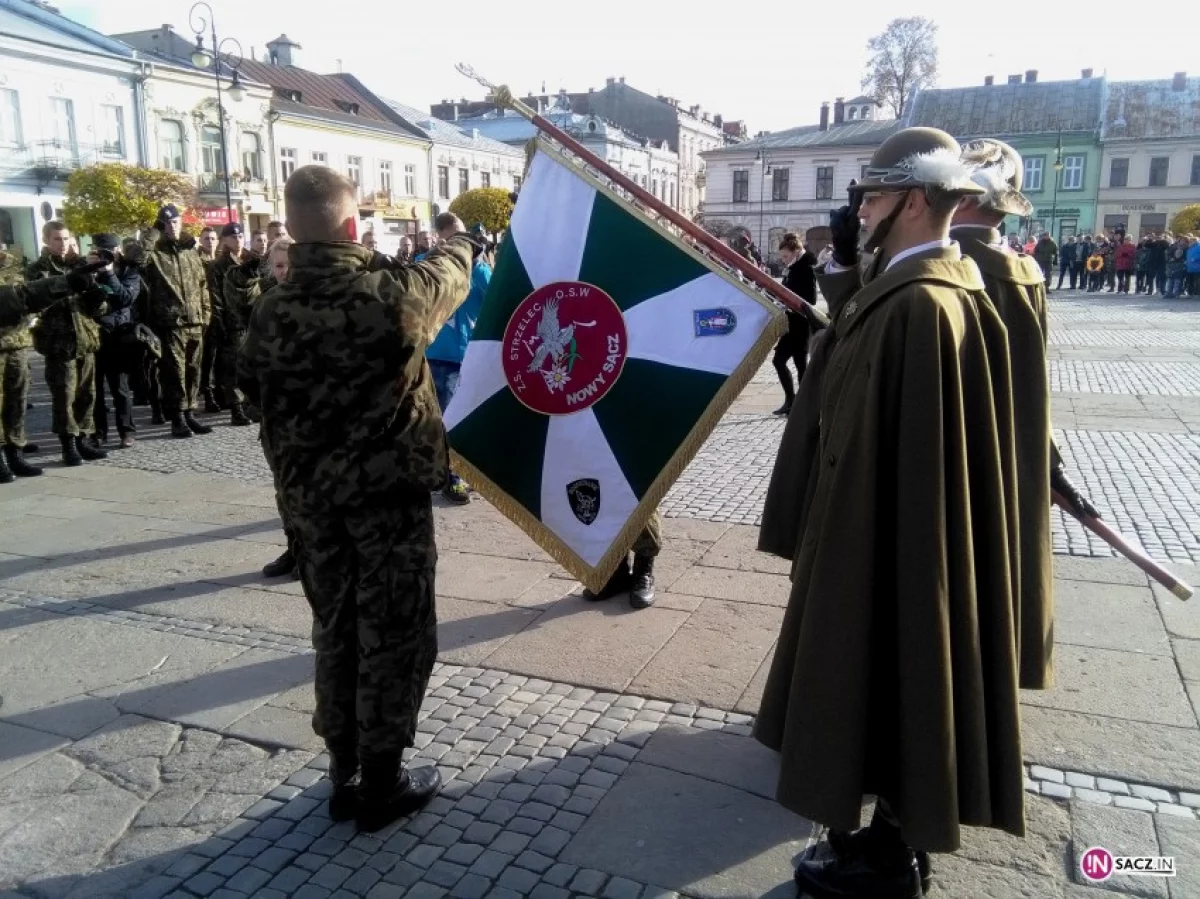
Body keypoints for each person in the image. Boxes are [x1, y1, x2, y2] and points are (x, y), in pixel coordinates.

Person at [755, 127, 1024, 899]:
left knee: (898, 670)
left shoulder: (925, 304)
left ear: (911, 200)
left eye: (871, 196)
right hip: (877, 534)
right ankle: (889, 835)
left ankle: (888, 853)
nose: (859, 209)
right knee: (891, 679)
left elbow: (910, 463)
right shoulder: (919, 285)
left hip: (890, 545)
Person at [237, 165, 482, 832]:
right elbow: (452, 273)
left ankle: (341, 766)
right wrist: (460, 236)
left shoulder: (270, 308)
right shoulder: (390, 296)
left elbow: (247, 383)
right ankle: (381, 782)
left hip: (311, 507)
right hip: (386, 503)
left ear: (291, 229)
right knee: (393, 632)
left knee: (335, 628)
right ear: (353, 226)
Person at [951, 138, 1098, 697]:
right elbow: (1031, 389)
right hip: (1007, 449)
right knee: (995, 558)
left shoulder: (945, 265)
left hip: (947, 445)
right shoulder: (1022, 269)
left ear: (961, 199)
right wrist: (1048, 461)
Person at [226, 236, 298, 579]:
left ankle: (314, 555)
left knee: (310, 493)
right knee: (283, 487)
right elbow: (240, 299)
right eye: (279, 266)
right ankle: (294, 548)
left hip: (310, 416)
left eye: (290, 265)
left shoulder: (313, 302)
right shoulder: (267, 302)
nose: (285, 272)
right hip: (275, 415)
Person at [25, 221, 109, 466]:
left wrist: (98, 299)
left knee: (87, 395)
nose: (62, 244)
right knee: (64, 397)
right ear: (46, 241)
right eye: (56, 240)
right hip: (59, 342)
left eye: (65, 239)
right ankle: (68, 445)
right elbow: (36, 301)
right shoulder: (36, 270)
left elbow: (97, 308)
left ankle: (83, 439)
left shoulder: (81, 266)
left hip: (85, 339)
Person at [126, 205, 213, 439]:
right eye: (166, 223)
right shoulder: (155, 252)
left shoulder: (191, 251)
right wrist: (153, 233)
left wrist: (206, 314)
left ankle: (190, 411)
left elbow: (202, 285)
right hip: (169, 321)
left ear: (181, 222)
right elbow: (137, 259)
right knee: (174, 371)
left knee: (194, 369)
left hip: (194, 320)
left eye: (175, 222)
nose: (171, 227)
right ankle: (177, 417)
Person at [426, 212, 490, 505]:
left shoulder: (477, 268)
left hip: (470, 356)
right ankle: (450, 478)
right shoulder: (429, 262)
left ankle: (458, 472)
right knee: (447, 421)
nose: (465, 244)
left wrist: (477, 265)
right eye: (457, 238)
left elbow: (493, 296)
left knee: (465, 420)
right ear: (441, 237)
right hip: (441, 356)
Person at [90, 233, 143, 448]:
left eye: (109, 251)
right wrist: (90, 271)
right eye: (100, 251)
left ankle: (127, 431)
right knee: (95, 390)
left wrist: (109, 273)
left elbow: (125, 298)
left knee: (120, 388)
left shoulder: (129, 270)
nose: (106, 255)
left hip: (118, 336)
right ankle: (98, 432)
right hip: (93, 335)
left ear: (117, 249)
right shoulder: (86, 269)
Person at [0, 245, 40, 482]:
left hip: (16, 342)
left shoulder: (13, 264)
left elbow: (26, 297)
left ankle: (15, 453)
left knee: (17, 400)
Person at [770, 233, 817, 416]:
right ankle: (792, 400)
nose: (783, 260)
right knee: (779, 361)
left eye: (785, 256)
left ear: (796, 251)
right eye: (781, 257)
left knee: (800, 366)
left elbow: (811, 299)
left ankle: (802, 404)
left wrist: (788, 298)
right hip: (791, 324)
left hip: (801, 325)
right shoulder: (793, 267)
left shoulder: (805, 268)